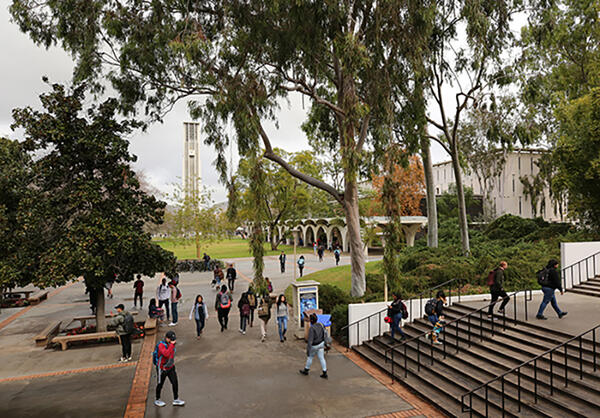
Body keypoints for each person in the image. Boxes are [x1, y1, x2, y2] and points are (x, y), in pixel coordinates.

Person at [154, 331, 185, 407]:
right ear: (167, 338)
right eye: (171, 339)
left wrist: (171, 345)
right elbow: (166, 354)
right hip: (162, 368)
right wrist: (171, 345)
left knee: (175, 383)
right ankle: (157, 399)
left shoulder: (171, 344)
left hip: (171, 367)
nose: (173, 341)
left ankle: (176, 399)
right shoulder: (161, 345)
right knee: (160, 384)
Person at [299, 313, 328, 379]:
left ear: (311, 321)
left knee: (310, 357)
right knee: (322, 358)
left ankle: (306, 370)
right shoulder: (321, 325)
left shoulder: (312, 328)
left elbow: (310, 341)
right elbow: (325, 334)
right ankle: (324, 372)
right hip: (321, 344)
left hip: (314, 345)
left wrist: (308, 350)